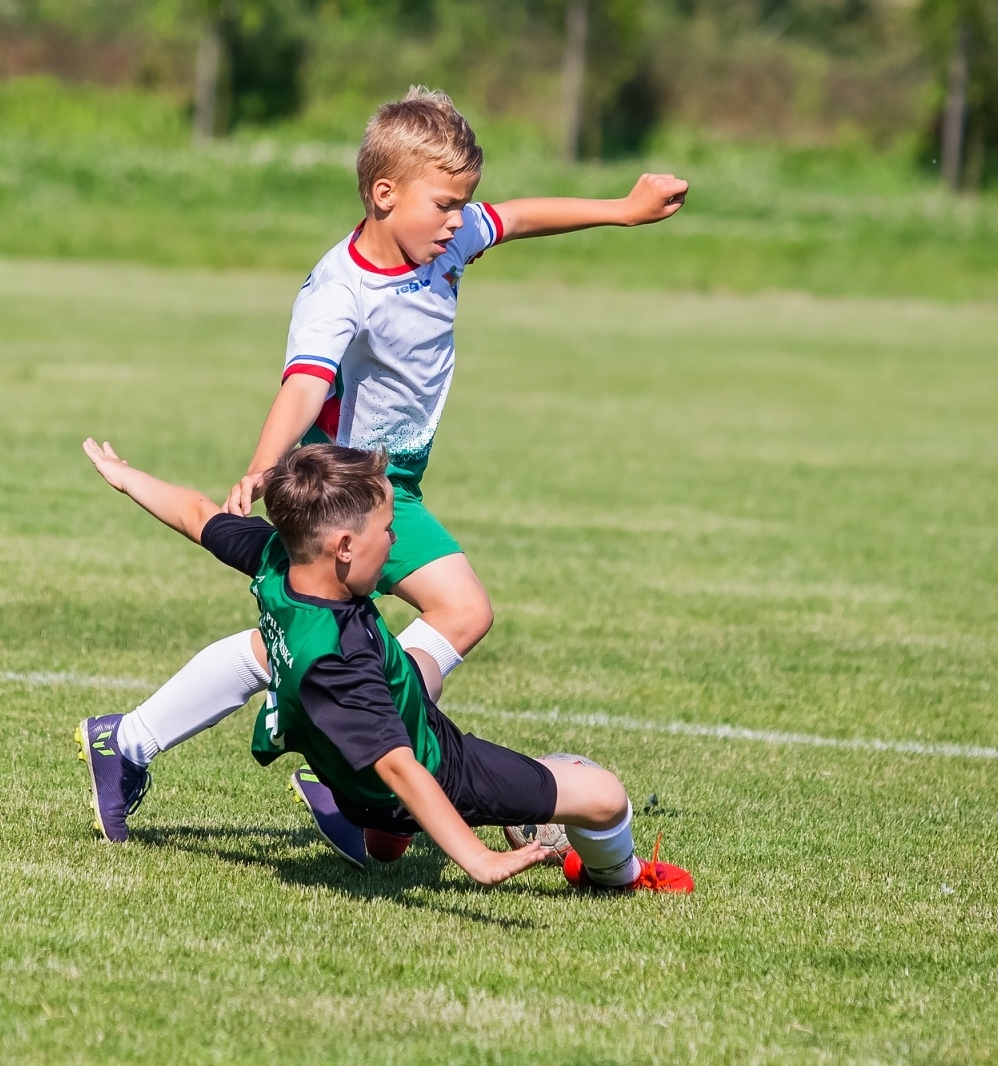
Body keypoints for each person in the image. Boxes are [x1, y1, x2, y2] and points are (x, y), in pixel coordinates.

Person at [88, 87, 688, 846]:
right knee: (460, 611)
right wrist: (262, 463)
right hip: (351, 486)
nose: (458, 220)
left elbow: (519, 217)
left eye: (462, 204)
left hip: (389, 479)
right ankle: (350, 764)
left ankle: (130, 740)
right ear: (383, 194)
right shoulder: (340, 292)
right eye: (445, 204)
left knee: (294, 645)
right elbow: (304, 381)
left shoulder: (442, 236)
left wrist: (620, 209)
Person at [76, 439, 693, 893]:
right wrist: (476, 858)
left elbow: (197, 513)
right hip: (431, 765)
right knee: (603, 795)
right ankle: (616, 877)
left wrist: (128, 478)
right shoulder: (340, 663)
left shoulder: (278, 558)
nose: (396, 543)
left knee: (424, 661)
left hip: (343, 741)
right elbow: (401, 766)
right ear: (343, 547)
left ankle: (376, 828)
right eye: (388, 531)